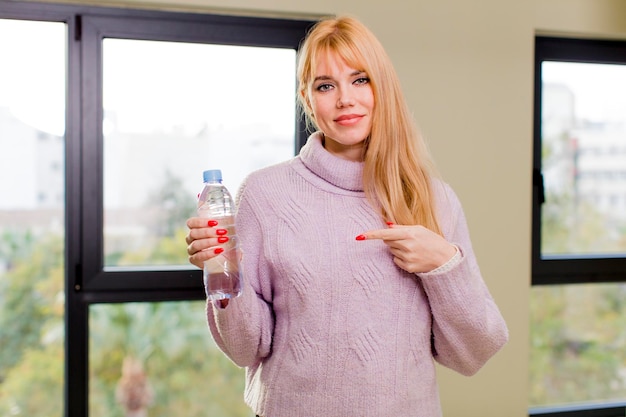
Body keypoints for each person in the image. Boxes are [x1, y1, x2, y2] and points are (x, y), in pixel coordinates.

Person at [185, 15, 508, 417]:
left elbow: (473, 353)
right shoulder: (264, 194)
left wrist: (443, 264)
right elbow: (245, 348)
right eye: (325, 85)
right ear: (307, 98)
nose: (345, 99)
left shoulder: (433, 199)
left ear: (382, 89)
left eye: (360, 80)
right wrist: (221, 272)